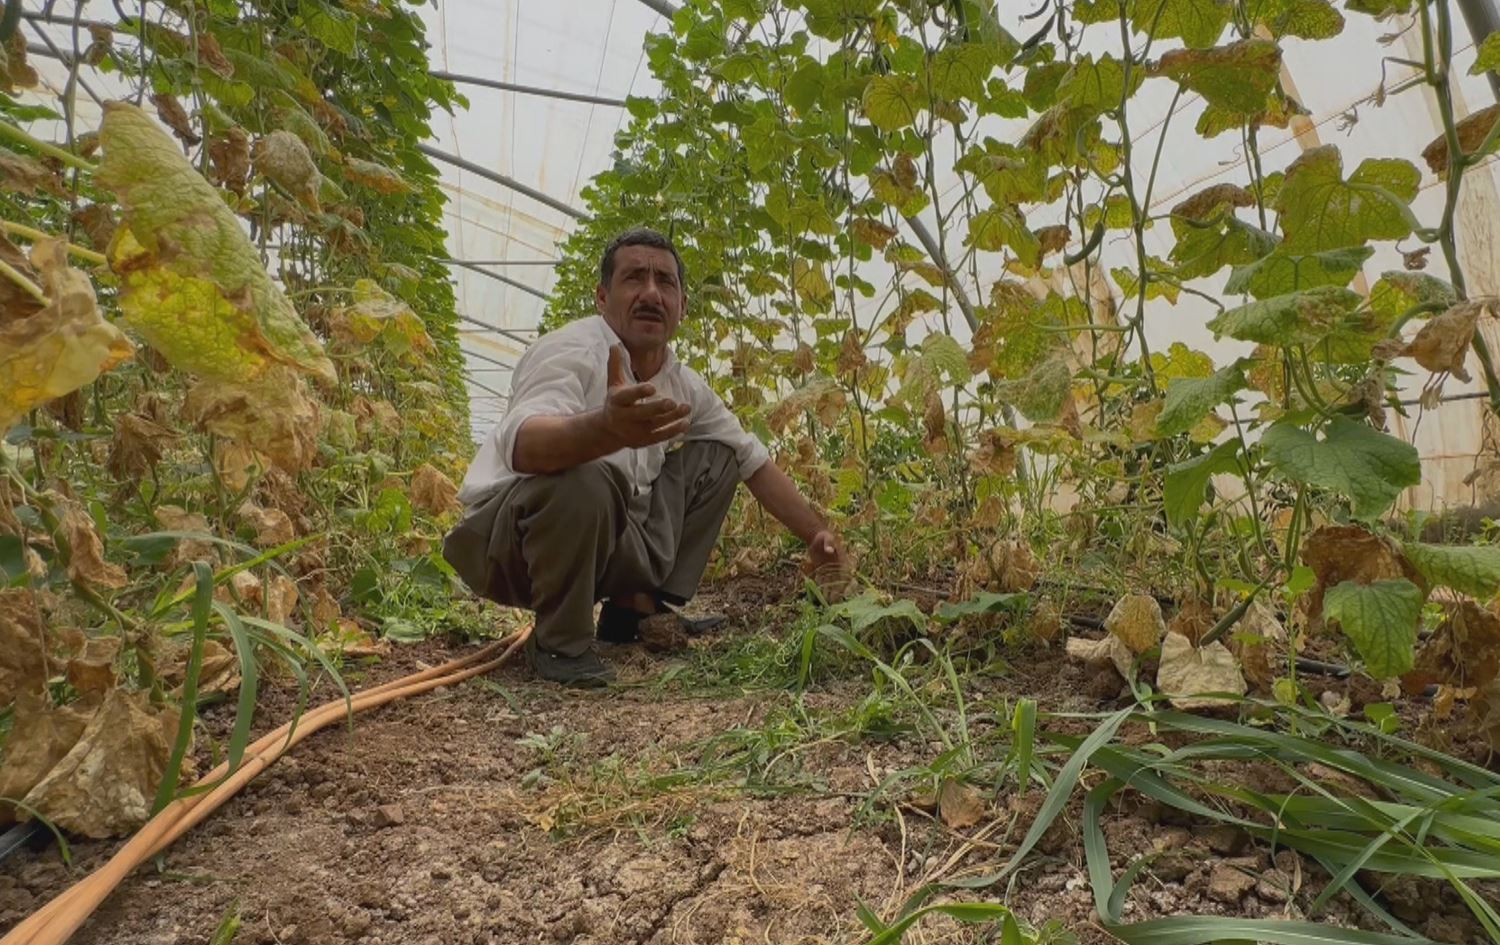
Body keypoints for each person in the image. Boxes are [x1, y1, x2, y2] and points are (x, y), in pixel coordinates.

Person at [443, 227, 849, 687]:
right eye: (634, 278)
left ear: (682, 306)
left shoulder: (682, 383)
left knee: (718, 457)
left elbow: (752, 459)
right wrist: (601, 430)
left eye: (666, 282)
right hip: (512, 547)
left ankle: (634, 613)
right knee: (585, 477)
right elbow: (522, 443)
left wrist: (818, 535)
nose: (652, 293)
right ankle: (560, 642)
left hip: (602, 541)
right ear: (602, 297)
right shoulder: (571, 350)